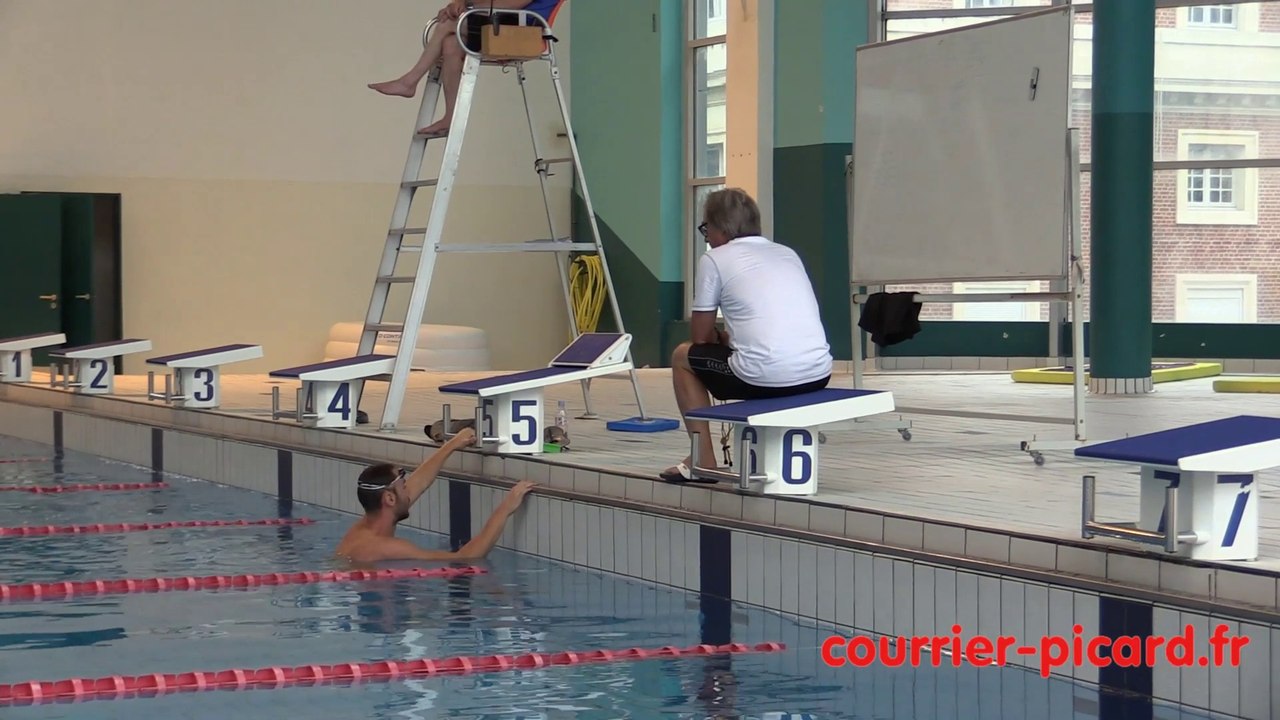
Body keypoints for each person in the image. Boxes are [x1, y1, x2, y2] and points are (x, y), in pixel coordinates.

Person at [660, 188, 834, 483]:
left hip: (764, 378)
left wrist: (720, 338)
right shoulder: (786, 253)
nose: (706, 237)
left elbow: (700, 337)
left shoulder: (715, 258)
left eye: (707, 228)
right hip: (818, 373)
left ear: (722, 227)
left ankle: (703, 459)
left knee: (682, 355)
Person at [336, 426, 536, 563]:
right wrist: (506, 508)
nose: (409, 491)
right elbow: (467, 558)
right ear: (389, 499)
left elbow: (419, 482)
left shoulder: (365, 528)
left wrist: (453, 444)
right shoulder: (386, 547)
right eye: (403, 486)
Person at [368, 0, 562, 137]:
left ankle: (409, 82)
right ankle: (450, 116)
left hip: (525, 30)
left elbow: (515, 3)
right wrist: (459, 4)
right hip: (507, 23)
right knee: (451, 45)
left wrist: (466, 7)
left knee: (449, 24)